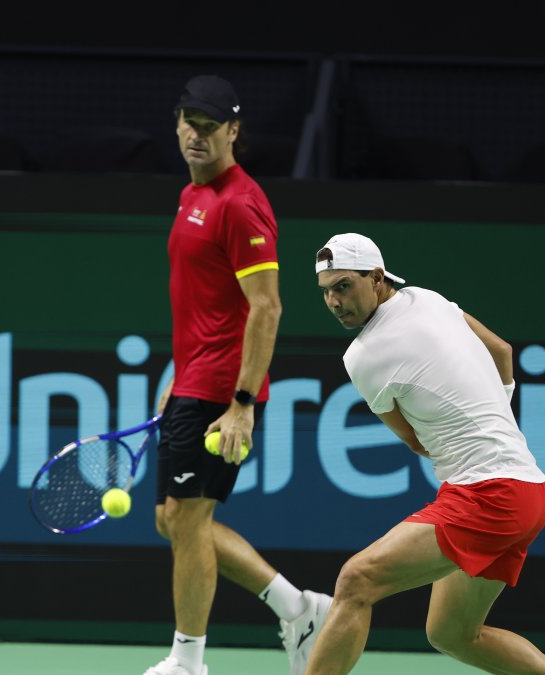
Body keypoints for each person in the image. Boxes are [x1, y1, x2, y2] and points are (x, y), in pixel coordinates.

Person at [306, 232, 545, 675]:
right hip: (530, 490)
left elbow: (417, 441)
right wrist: (493, 408)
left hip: (490, 493)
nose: (335, 301)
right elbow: (502, 352)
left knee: (356, 580)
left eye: (343, 286)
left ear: (375, 278)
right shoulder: (427, 298)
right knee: (452, 633)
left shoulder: (362, 358)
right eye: (326, 292)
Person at [143, 75, 331, 675]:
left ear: (233, 131)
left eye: (209, 127)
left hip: (225, 389)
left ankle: (187, 662)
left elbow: (267, 307)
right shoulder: (191, 195)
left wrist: (243, 401)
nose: (196, 137)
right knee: (173, 518)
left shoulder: (240, 204)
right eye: (187, 124)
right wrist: (179, 367)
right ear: (176, 124)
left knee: (190, 520)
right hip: (195, 378)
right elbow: (206, 302)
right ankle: (298, 606)